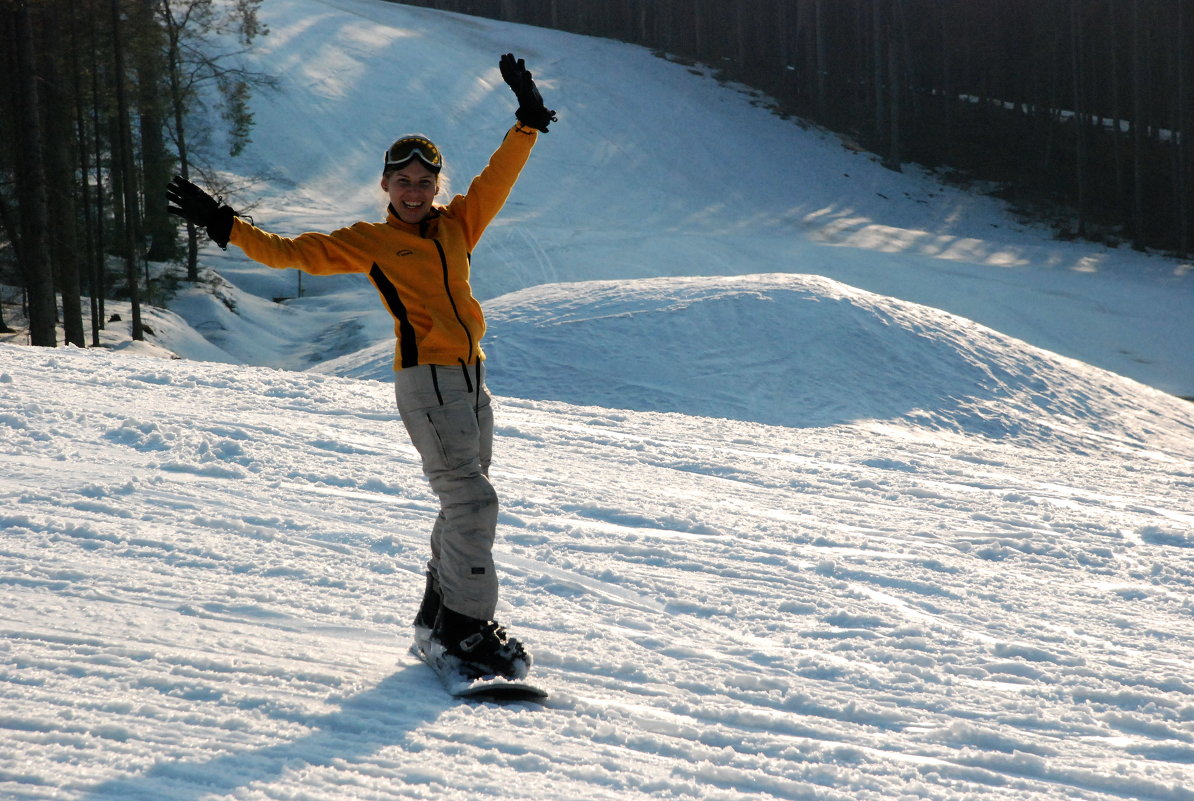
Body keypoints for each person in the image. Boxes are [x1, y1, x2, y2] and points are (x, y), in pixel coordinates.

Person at [166, 54, 557, 680]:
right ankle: (464, 630)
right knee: (472, 504)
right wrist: (224, 223)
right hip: (428, 383)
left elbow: (494, 182)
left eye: (423, 181)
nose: (413, 191)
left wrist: (528, 124)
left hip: (470, 379)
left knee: (462, 501)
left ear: (435, 187)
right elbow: (286, 251)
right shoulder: (370, 243)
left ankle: (438, 614)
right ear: (384, 187)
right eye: (401, 181)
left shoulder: (456, 227)